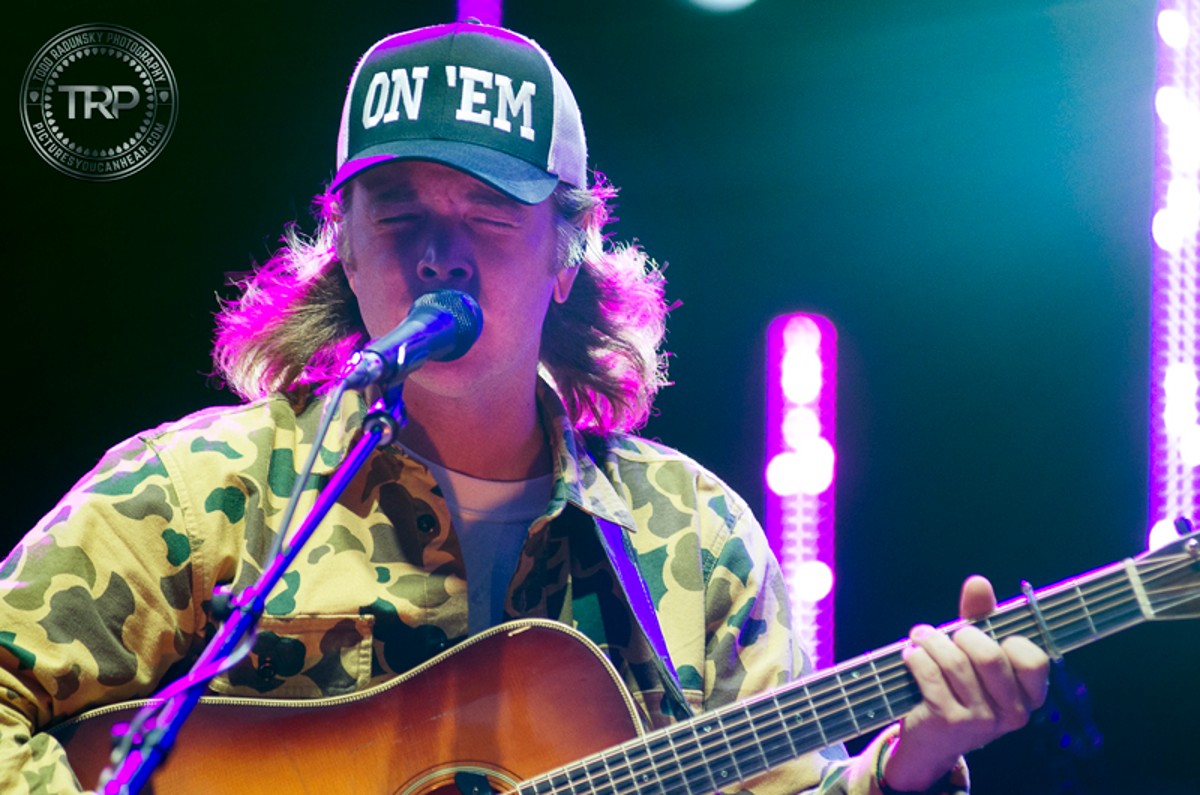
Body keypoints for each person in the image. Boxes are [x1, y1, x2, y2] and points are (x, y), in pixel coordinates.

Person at [0, 20, 1048, 795]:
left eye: (490, 215)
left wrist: (911, 761)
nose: (437, 251)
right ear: (347, 246)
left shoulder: (697, 535)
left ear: (566, 253)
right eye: (398, 212)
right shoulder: (192, 494)